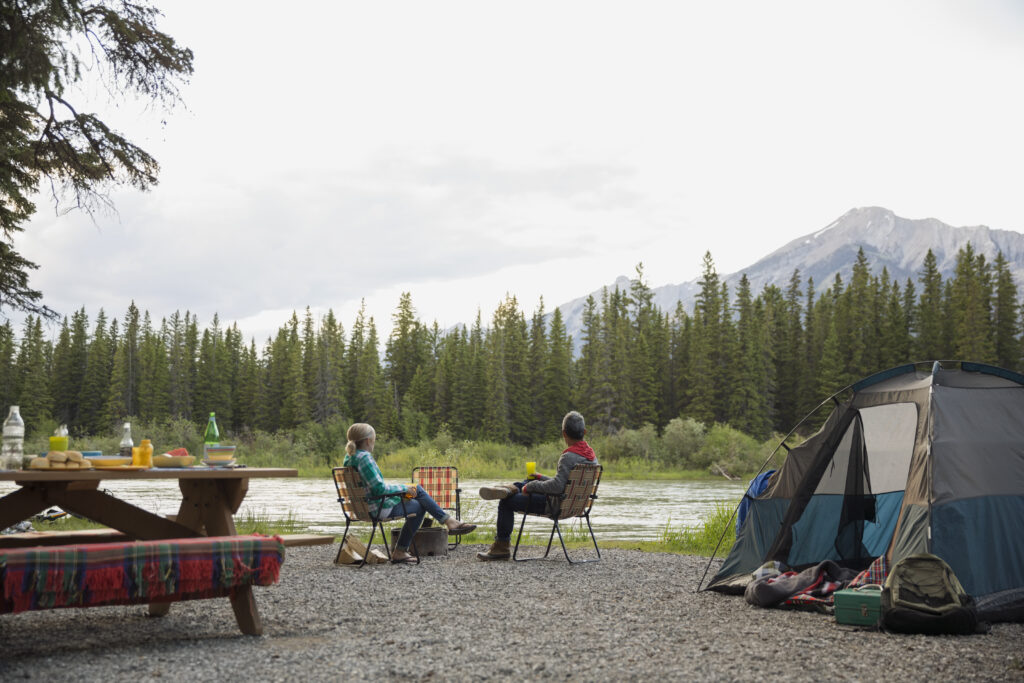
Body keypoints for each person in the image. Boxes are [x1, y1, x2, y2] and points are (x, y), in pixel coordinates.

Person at [344, 422, 476, 564]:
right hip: (377, 508)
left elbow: (373, 487)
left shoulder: (349, 457)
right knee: (419, 503)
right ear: (369, 441)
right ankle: (402, 550)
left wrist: (402, 489)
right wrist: (403, 489)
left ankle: (448, 521)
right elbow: (379, 489)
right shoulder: (365, 458)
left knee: (416, 491)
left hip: (362, 508)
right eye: (374, 440)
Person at [476, 410, 598, 561]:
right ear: (584, 432)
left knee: (507, 502)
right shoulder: (592, 458)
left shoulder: (568, 457)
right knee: (527, 482)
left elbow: (558, 487)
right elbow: (565, 484)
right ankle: (508, 489)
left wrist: (532, 486)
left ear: (564, 433)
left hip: (554, 505)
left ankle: (501, 548)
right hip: (575, 506)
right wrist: (540, 478)